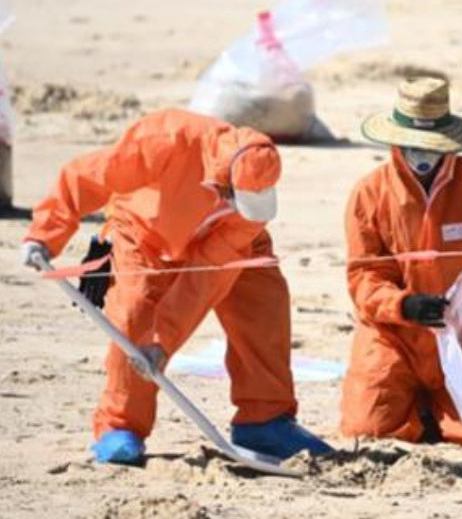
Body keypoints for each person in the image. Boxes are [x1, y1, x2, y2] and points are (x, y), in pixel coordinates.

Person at [21, 109, 333, 464]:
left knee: (263, 305)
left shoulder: (249, 213)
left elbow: (206, 278)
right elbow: (84, 176)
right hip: (144, 236)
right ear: (221, 183)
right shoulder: (163, 141)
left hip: (219, 241)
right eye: (238, 199)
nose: (245, 209)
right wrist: (45, 235)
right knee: (135, 316)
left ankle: (265, 420)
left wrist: (165, 340)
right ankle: (119, 426)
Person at [341, 76, 462, 444]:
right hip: (394, 335)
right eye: (413, 145)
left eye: (431, 146)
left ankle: (439, 410)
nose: (422, 155)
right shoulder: (370, 192)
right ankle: (420, 410)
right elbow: (364, 277)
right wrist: (404, 305)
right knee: (366, 428)